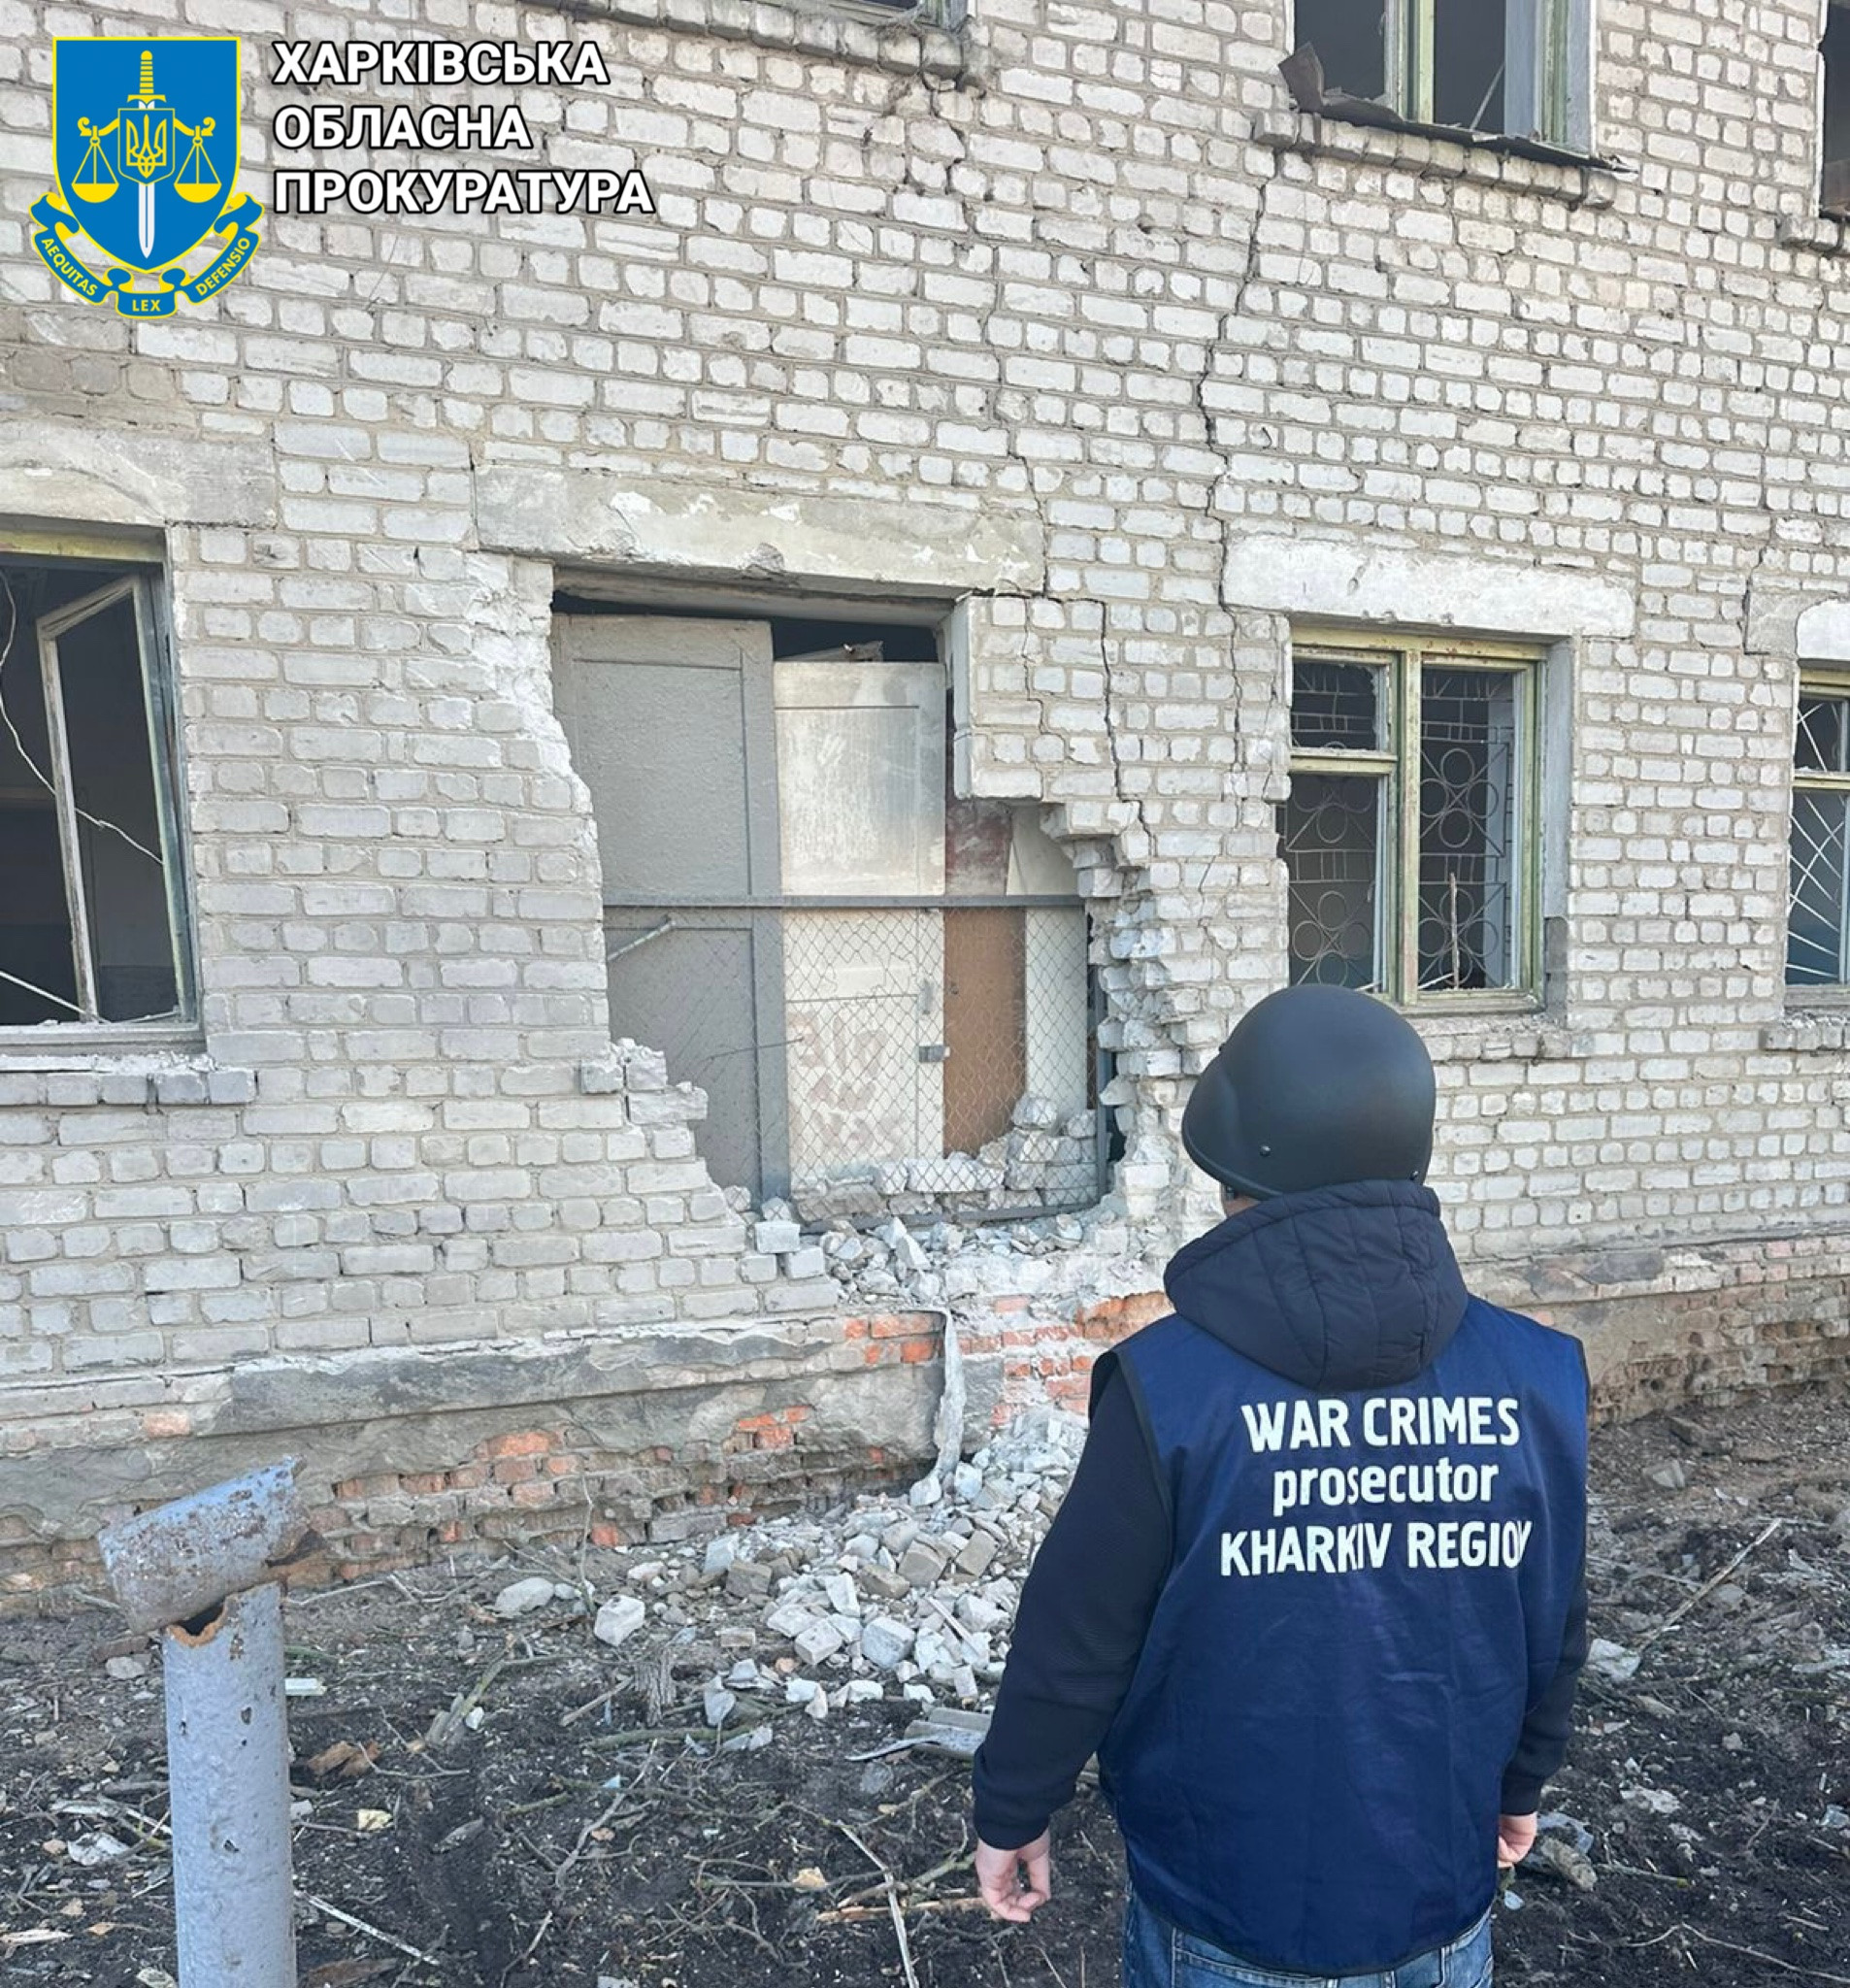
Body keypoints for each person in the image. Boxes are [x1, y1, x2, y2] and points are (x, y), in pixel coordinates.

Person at [971, 983, 1590, 1988]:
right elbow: (1551, 1618)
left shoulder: (1169, 1391)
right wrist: (1520, 1783)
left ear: (1230, 1170)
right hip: (1438, 1904)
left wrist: (1012, 1807)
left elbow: (1076, 1634)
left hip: (1225, 1913)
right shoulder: (1537, 1378)